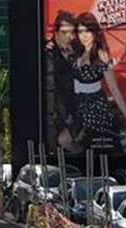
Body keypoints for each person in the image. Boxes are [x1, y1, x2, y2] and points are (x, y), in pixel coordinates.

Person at [72, 12, 126, 151]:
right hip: (80, 110)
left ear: (94, 32)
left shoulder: (101, 57)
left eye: (88, 31)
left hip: (97, 113)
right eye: (80, 32)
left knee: (96, 152)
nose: (84, 36)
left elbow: (114, 90)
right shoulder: (77, 53)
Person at [46, 11, 81, 152]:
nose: (69, 37)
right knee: (59, 144)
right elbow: (54, 88)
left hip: (75, 107)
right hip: (56, 112)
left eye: (71, 33)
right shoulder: (49, 52)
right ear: (56, 32)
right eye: (64, 32)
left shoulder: (76, 49)